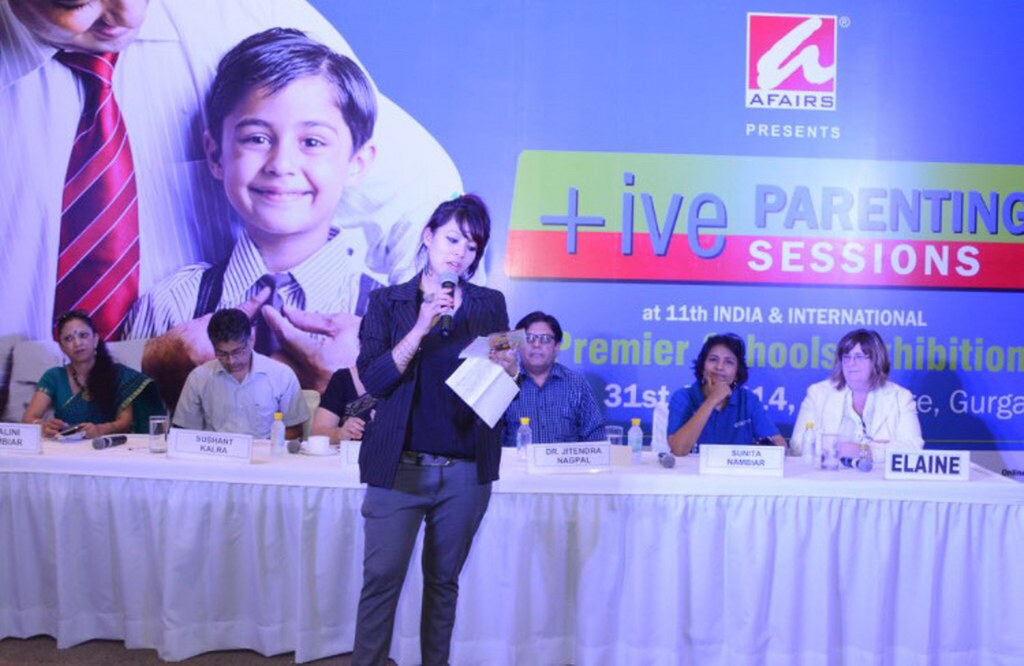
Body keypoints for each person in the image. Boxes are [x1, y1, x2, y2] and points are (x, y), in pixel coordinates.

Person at [0, 0, 461, 341]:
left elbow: (423, 201)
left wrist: (393, 360)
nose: (129, 13)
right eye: (77, 2)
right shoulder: (170, 304)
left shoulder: (242, 15)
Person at [126, 27, 378, 407]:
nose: (281, 164)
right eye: (257, 138)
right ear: (215, 155)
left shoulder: (396, 317)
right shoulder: (171, 305)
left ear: (356, 163)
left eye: (312, 142)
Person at [352, 194, 516, 666]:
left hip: (465, 471)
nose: (460, 254)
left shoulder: (489, 304)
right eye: (452, 239)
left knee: (443, 583)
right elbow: (376, 381)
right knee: (381, 580)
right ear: (427, 236)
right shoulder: (387, 302)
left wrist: (509, 369)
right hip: (398, 469)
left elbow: (501, 382)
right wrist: (421, 326)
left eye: (472, 246)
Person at [22, 310, 163, 438]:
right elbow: (28, 418)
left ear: (95, 339)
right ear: (62, 347)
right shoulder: (54, 377)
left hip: (108, 447)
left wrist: (100, 430)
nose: (77, 343)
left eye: (83, 335)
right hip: (67, 448)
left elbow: (125, 422)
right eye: (69, 339)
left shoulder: (118, 375)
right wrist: (42, 425)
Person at [172, 308, 308, 438]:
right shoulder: (199, 377)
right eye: (222, 354)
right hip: (216, 452)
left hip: (263, 451)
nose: (231, 361)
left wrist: (268, 447)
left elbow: (295, 430)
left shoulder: (281, 375)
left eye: (237, 352)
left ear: (251, 339)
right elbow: (185, 431)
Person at [794, 328, 924, 459]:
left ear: (877, 361)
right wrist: (838, 448)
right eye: (846, 357)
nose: (851, 363)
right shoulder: (818, 393)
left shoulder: (901, 398)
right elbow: (798, 444)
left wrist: (865, 451)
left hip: (879, 473)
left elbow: (913, 448)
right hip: (829, 471)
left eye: (859, 357)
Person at [667, 333, 785, 455]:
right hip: (691, 468)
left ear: (737, 373)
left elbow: (779, 445)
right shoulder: (683, 397)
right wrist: (712, 400)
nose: (719, 367)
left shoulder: (748, 400)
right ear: (702, 367)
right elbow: (678, 450)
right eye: (713, 359)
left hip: (738, 467)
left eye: (729, 362)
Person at [502, 310, 604, 445]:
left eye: (545, 339)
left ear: (557, 347)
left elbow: (596, 436)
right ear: (518, 345)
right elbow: (490, 441)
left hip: (567, 460)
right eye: (529, 338)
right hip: (517, 459)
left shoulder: (576, 383)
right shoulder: (504, 382)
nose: (536, 345)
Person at [311, 367, 371, 443]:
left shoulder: (386, 383)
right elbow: (317, 434)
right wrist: (340, 434)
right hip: (352, 449)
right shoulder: (344, 378)